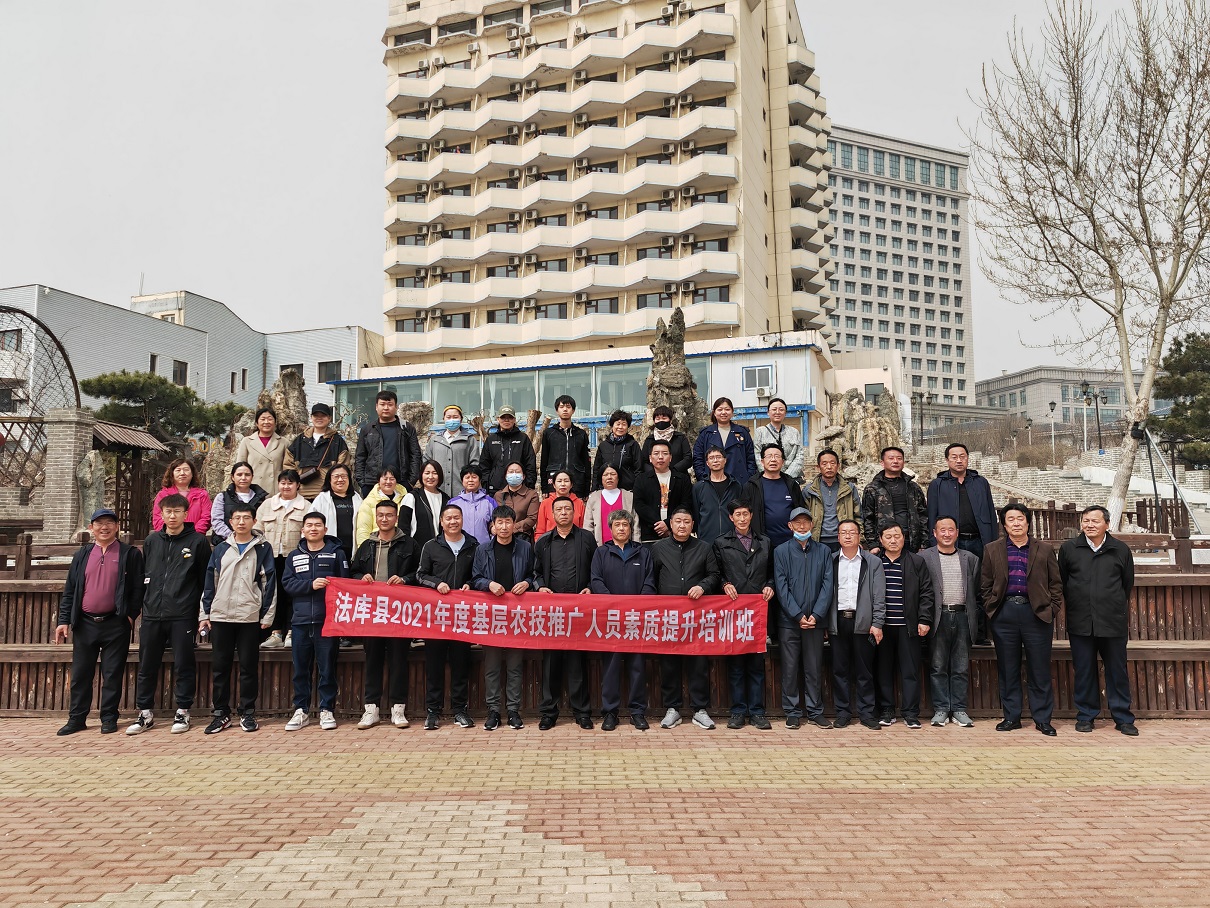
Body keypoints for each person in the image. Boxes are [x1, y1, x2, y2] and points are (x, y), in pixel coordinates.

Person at [54, 508, 145, 736]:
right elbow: (70, 589)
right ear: (91, 528)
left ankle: (109, 717)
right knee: (81, 674)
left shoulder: (129, 554)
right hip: (85, 623)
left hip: (116, 623)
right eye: (99, 523)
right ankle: (77, 718)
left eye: (109, 523)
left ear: (117, 527)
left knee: (112, 674)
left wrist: (130, 615)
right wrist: (64, 620)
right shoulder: (82, 555)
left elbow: (138, 588)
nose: (104, 527)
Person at [126, 494, 212, 736]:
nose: (172, 516)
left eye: (177, 511)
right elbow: (145, 575)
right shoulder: (152, 541)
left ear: (186, 513)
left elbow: (205, 580)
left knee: (184, 663)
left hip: (182, 613)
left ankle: (183, 711)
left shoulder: (198, 542)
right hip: (152, 613)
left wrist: (202, 612)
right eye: (168, 512)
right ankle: (145, 713)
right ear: (161, 514)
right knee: (147, 664)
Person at [980, 503, 1064, 736]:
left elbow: (1056, 584)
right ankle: (1012, 717)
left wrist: (1051, 609)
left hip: (1036, 614)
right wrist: (991, 608)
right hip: (1004, 614)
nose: (1016, 523)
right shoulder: (992, 549)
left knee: (1039, 669)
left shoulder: (1044, 549)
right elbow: (985, 584)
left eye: (1020, 518)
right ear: (1004, 525)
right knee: (1008, 669)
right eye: (1011, 519)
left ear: (1027, 522)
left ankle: (1042, 719)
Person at [198, 502, 276, 734]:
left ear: (254, 521)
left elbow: (269, 583)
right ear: (230, 522)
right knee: (220, 667)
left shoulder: (263, 548)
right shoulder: (221, 549)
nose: (241, 522)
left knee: (248, 667)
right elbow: (210, 582)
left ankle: (247, 712)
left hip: (249, 616)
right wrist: (205, 614)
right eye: (237, 518)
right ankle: (220, 713)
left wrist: (267, 615)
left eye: (246, 518)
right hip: (221, 615)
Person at [1059, 505, 1137, 736]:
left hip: (1112, 622)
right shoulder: (1069, 549)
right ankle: (1086, 716)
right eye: (1086, 521)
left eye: (1095, 521)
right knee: (1084, 671)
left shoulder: (1120, 549)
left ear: (1107, 524)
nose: (1089, 525)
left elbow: (1127, 584)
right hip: (1081, 621)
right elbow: (1063, 582)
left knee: (1117, 671)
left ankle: (1123, 718)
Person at [350, 499, 418, 730]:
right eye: (381, 515)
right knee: (373, 660)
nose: (384, 519)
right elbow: (353, 571)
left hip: (399, 612)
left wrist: (405, 579)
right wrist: (361, 578)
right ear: (375, 517)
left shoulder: (409, 544)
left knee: (399, 660)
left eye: (389, 515)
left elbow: (419, 573)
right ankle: (372, 709)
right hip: (373, 613)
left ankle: (398, 708)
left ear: (396, 518)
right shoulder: (366, 546)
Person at [652, 508, 721, 730]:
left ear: (693, 525)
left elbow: (714, 575)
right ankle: (672, 709)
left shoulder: (704, 548)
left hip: (696, 616)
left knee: (698, 663)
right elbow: (651, 579)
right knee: (669, 663)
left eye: (686, 522)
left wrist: (702, 586)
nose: (682, 525)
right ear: (671, 524)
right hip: (668, 617)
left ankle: (700, 709)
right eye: (678, 521)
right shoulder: (658, 548)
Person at [472, 505, 539, 730]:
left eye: (507, 522)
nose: (503, 527)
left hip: (517, 615)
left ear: (514, 524)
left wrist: (527, 583)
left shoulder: (525, 547)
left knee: (514, 666)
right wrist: (488, 584)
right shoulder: (482, 550)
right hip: (492, 615)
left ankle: (513, 711)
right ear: (493, 526)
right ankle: (493, 711)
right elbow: (475, 578)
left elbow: (534, 574)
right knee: (491, 666)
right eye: (499, 523)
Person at [534, 495, 597, 730]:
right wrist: (540, 586)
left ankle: (582, 712)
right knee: (551, 664)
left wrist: (590, 587)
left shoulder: (586, 539)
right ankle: (549, 713)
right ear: (552, 514)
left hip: (579, 612)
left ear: (575, 512)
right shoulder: (543, 542)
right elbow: (535, 572)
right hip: (552, 614)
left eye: (567, 509)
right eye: (559, 509)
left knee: (577, 663)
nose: (563, 513)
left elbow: (596, 568)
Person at [282, 512, 349, 731]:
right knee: (301, 670)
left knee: (327, 669)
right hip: (300, 621)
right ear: (302, 530)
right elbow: (287, 584)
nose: (313, 529)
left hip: (327, 622)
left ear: (325, 529)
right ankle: (301, 710)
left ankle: (326, 709)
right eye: (309, 525)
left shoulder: (337, 553)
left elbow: (345, 584)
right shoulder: (293, 556)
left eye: (318, 525)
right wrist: (310, 585)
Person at [416, 503, 480, 729]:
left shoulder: (473, 545)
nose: (453, 522)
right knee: (434, 665)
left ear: (462, 520)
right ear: (441, 522)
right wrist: (437, 583)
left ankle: (460, 710)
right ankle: (433, 711)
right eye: (449, 518)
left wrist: (470, 584)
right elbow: (420, 575)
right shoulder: (431, 546)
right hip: (437, 616)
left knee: (461, 664)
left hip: (462, 615)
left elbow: (479, 574)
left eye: (457, 518)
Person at [590, 509, 656, 730]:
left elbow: (649, 582)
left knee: (638, 667)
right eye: (617, 525)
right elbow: (596, 581)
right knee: (611, 667)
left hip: (636, 620)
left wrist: (638, 606)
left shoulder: (643, 553)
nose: (621, 528)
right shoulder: (601, 552)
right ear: (610, 528)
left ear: (630, 528)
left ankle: (637, 712)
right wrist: (613, 606)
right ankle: (610, 712)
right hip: (611, 620)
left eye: (625, 525)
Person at [714, 499, 775, 730]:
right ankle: (738, 711)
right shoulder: (721, 542)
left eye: (745, 514)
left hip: (757, 611)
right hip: (733, 610)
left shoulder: (765, 542)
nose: (742, 518)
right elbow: (716, 572)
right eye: (737, 514)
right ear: (731, 518)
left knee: (756, 664)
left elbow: (772, 572)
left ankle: (757, 712)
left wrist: (770, 585)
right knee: (736, 664)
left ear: (751, 516)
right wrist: (724, 584)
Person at [772, 507, 833, 729]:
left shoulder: (824, 551)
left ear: (812, 524)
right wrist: (797, 615)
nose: (801, 526)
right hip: (789, 622)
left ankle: (815, 711)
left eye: (806, 522)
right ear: (790, 526)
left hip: (815, 622)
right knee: (789, 669)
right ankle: (792, 712)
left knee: (814, 668)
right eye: (797, 522)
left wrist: (816, 615)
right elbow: (781, 587)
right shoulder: (780, 551)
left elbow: (828, 585)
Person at [919, 516, 981, 728]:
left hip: (963, 616)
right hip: (938, 617)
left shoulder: (970, 558)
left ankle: (959, 709)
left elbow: (976, 592)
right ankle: (941, 709)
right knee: (938, 666)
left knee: (960, 667)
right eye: (942, 530)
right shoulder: (924, 557)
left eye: (951, 530)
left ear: (957, 532)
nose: (947, 534)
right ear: (935, 533)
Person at [873, 522, 934, 729]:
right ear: (880, 540)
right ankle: (887, 710)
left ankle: (911, 713)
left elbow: (926, 592)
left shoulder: (916, 561)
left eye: (897, 536)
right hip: (882, 627)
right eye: (888, 537)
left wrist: (924, 619)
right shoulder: (875, 562)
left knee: (910, 671)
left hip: (909, 627)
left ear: (904, 538)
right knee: (883, 670)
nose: (893, 540)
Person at [828, 519, 885, 730]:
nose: (848, 536)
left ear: (859, 536)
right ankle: (843, 713)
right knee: (839, 670)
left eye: (852, 532)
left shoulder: (872, 562)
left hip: (864, 622)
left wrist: (877, 622)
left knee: (864, 671)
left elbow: (879, 595)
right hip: (838, 620)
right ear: (838, 537)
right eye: (844, 532)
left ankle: (866, 713)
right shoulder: (831, 560)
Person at [257, 469, 310, 649]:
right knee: (274, 594)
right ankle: (276, 633)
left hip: (295, 557)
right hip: (271, 557)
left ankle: (291, 632)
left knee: (292, 595)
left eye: (290, 483)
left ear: (298, 485)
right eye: (283, 483)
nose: (286, 486)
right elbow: (257, 530)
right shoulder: (267, 505)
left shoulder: (306, 506)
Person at [354, 389, 422, 497]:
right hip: (372, 484)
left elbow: (415, 455)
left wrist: (410, 482)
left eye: (390, 404)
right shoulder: (367, 429)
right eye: (382, 404)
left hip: (401, 483)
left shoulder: (406, 428)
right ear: (376, 407)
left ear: (396, 407)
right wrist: (363, 483)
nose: (386, 408)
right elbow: (360, 457)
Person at [862, 446, 927, 553]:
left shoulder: (913, 487)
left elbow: (923, 516)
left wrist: (924, 543)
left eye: (899, 458)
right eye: (891, 458)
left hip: (911, 542)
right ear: (882, 463)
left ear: (903, 462)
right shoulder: (873, 488)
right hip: (884, 543)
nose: (895, 461)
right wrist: (872, 544)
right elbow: (868, 518)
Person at [742, 444, 806, 551]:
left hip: (789, 542)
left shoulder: (791, 484)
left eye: (777, 456)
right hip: (761, 544)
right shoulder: (751, 486)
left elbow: (801, 511)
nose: (773, 459)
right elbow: (744, 513)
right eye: (769, 456)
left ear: (783, 461)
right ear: (762, 461)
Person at [284, 402, 350, 500]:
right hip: (301, 495)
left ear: (329, 418)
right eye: (316, 415)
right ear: (311, 417)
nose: (319, 418)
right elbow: (288, 465)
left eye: (323, 415)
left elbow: (343, 468)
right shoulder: (299, 441)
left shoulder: (337, 441)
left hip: (327, 494)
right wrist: (294, 483)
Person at [632, 440, 692, 543]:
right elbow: (639, 504)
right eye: (656, 453)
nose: (660, 457)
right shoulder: (641, 479)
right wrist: (658, 524)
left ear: (670, 457)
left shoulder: (682, 479)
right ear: (650, 458)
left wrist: (668, 523)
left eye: (665, 453)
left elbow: (685, 503)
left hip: (676, 533)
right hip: (650, 534)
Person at [804, 449, 861, 554]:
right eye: (824, 463)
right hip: (817, 539)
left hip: (843, 539)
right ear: (818, 467)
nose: (829, 467)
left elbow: (858, 515)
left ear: (838, 466)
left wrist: (860, 539)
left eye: (832, 463)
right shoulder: (809, 490)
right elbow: (804, 518)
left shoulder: (849, 488)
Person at [693, 397, 757, 484]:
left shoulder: (742, 432)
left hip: (739, 481)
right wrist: (703, 477)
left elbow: (751, 457)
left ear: (732, 412)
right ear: (714, 413)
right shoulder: (706, 433)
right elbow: (698, 457)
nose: (723, 412)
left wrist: (748, 478)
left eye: (727, 409)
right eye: (720, 409)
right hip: (712, 481)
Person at [477, 405, 537, 496]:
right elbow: (484, 465)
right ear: (498, 419)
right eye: (503, 417)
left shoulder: (523, 438)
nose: (506, 420)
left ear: (514, 420)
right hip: (495, 489)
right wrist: (487, 484)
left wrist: (528, 485)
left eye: (510, 417)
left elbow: (530, 463)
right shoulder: (491, 439)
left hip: (519, 489)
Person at [540, 395, 591, 498]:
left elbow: (586, 462)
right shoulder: (549, 433)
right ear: (556, 410)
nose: (565, 409)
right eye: (561, 407)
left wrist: (586, 489)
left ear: (573, 410)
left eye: (568, 407)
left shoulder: (581, 434)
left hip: (577, 482)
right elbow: (544, 461)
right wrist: (544, 487)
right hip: (554, 481)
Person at [425, 405, 481, 497]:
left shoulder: (469, 439)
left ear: (461, 419)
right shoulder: (435, 440)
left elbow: (475, 464)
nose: (452, 420)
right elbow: (426, 463)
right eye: (448, 417)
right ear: (443, 419)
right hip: (438, 490)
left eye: (455, 417)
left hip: (461, 492)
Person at [310, 463, 362, 559]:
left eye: (344, 476)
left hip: (353, 549)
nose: (340, 479)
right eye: (336, 476)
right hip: (328, 549)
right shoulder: (322, 499)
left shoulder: (357, 498)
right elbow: (310, 523)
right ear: (329, 480)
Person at [691, 446, 742, 544]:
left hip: (732, 540)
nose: (715, 460)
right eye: (711, 458)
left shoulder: (735, 486)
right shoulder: (699, 487)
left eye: (718, 457)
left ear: (725, 460)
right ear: (707, 463)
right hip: (706, 540)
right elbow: (696, 515)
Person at [209, 461, 269, 541]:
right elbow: (217, 521)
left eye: (247, 475)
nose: (243, 478)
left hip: (255, 542)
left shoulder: (261, 498)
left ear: (252, 477)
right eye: (239, 475)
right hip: (226, 541)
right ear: (232, 477)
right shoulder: (222, 497)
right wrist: (233, 537)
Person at [234, 407, 288, 494]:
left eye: (270, 419)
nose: (266, 422)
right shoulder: (247, 441)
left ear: (275, 422)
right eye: (263, 419)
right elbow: (239, 468)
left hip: (275, 490)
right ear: (257, 423)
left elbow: (287, 469)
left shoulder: (284, 442)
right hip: (253, 489)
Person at [151, 458, 212, 535]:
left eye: (186, 470)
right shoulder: (163, 495)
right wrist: (171, 534)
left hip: (194, 538)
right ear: (172, 474)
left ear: (192, 474)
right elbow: (158, 518)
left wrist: (193, 535)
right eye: (178, 470)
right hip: (169, 538)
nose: (182, 473)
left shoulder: (202, 495)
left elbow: (206, 518)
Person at [583, 465, 638, 545]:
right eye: (605, 475)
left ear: (618, 477)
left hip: (626, 547)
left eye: (613, 474)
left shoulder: (629, 497)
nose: (609, 477)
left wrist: (636, 546)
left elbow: (635, 525)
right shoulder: (593, 498)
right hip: (600, 547)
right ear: (601, 478)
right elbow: (588, 526)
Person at [753, 398, 803, 481]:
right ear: (768, 412)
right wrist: (769, 475)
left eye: (781, 410)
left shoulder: (794, 432)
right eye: (774, 409)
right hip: (768, 479)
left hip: (791, 479)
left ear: (785, 413)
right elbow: (757, 456)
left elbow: (799, 456)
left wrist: (787, 477)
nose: (777, 412)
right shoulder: (760, 432)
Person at [592, 410, 644, 491]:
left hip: (628, 490)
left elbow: (639, 469)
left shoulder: (632, 445)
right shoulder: (603, 446)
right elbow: (597, 469)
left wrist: (637, 489)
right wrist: (594, 489)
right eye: (618, 424)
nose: (620, 427)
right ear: (612, 425)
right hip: (606, 490)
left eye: (624, 424)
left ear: (628, 427)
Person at [401, 460, 449, 548]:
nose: (430, 477)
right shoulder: (411, 497)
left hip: (441, 549)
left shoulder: (446, 499)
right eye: (427, 473)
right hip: (417, 549)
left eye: (434, 473)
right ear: (421, 475)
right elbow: (403, 527)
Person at [355, 467, 404, 551]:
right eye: (385, 479)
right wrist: (364, 551)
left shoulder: (404, 500)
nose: (388, 482)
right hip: (376, 547)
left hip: (400, 547)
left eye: (392, 479)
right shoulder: (368, 502)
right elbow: (363, 529)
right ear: (379, 481)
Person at [641, 405, 693, 479]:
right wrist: (654, 472)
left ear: (670, 420)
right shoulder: (649, 439)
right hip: (654, 479)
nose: (661, 421)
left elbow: (688, 458)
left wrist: (673, 470)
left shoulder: (680, 437)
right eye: (657, 418)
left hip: (679, 478)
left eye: (664, 418)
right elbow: (643, 461)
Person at [494, 460, 539, 540]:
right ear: (505, 476)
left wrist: (512, 528)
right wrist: (493, 528)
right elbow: (493, 516)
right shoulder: (498, 495)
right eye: (511, 472)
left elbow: (532, 518)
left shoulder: (532, 495)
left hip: (522, 537)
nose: (514, 474)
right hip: (501, 537)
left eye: (517, 472)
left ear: (523, 476)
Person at [449, 464, 495, 544]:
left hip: (484, 547)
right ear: (462, 480)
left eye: (474, 477)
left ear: (480, 480)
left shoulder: (490, 502)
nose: (470, 480)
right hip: (460, 547)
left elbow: (496, 524)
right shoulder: (453, 503)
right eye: (467, 477)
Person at [534, 470, 585, 536]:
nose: (563, 484)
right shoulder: (545, 503)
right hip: (550, 541)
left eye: (566, 481)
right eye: (559, 481)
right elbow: (540, 531)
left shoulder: (579, 503)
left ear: (571, 485)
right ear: (554, 485)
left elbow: (583, 529)